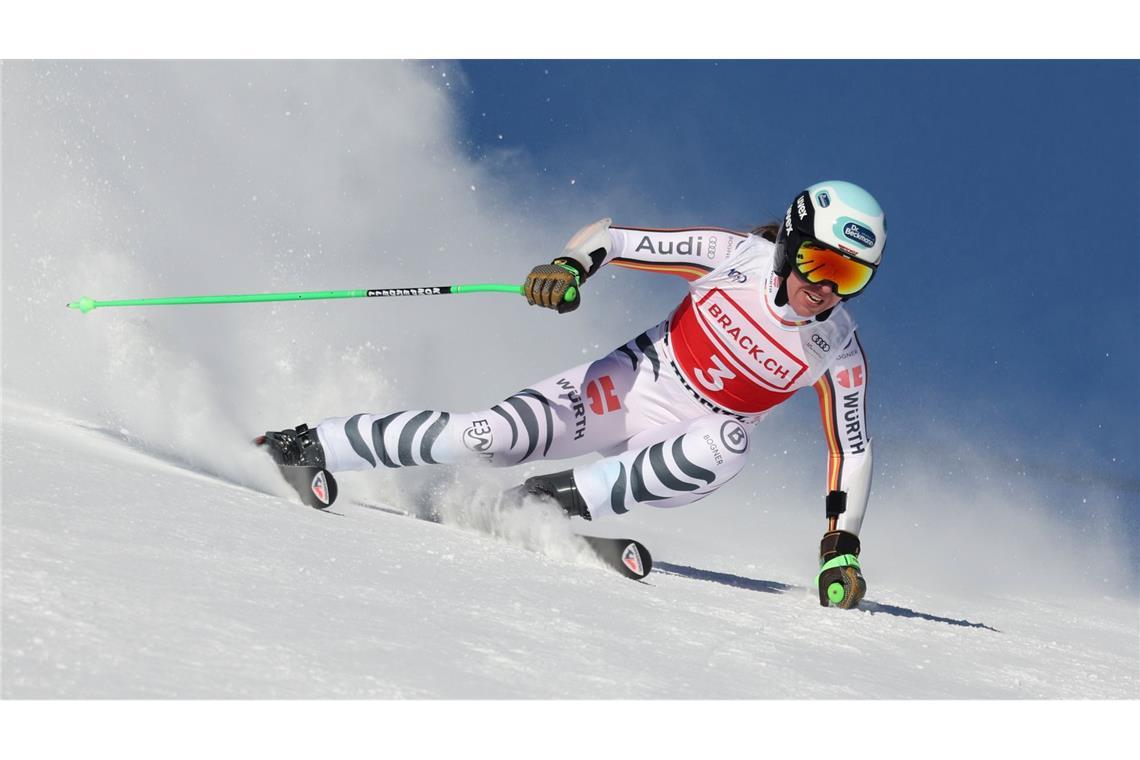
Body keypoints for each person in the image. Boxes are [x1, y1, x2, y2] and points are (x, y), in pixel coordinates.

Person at [261, 180, 886, 609]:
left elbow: (851, 451)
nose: (827, 288)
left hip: (683, 447)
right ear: (788, 247)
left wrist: (840, 549)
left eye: (850, 275)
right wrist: (568, 266)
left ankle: (547, 502)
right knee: (487, 437)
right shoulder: (735, 258)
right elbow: (612, 238)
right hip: (624, 386)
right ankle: (306, 445)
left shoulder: (837, 349)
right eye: (818, 263)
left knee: (731, 439)